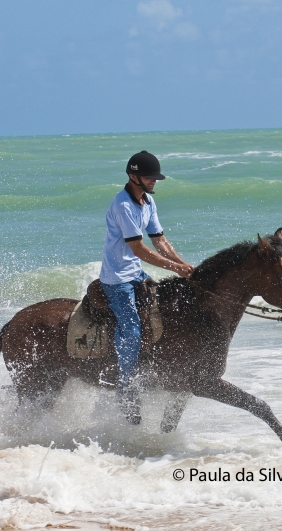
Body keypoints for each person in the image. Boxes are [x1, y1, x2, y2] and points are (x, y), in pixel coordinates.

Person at [100, 150, 194, 424]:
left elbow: (159, 240)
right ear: (133, 176)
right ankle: (125, 387)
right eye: (149, 177)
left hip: (136, 271)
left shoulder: (147, 202)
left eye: (155, 177)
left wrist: (185, 265)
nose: (154, 181)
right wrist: (175, 268)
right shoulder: (123, 206)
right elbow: (139, 248)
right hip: (117, 277)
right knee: (130, 329)